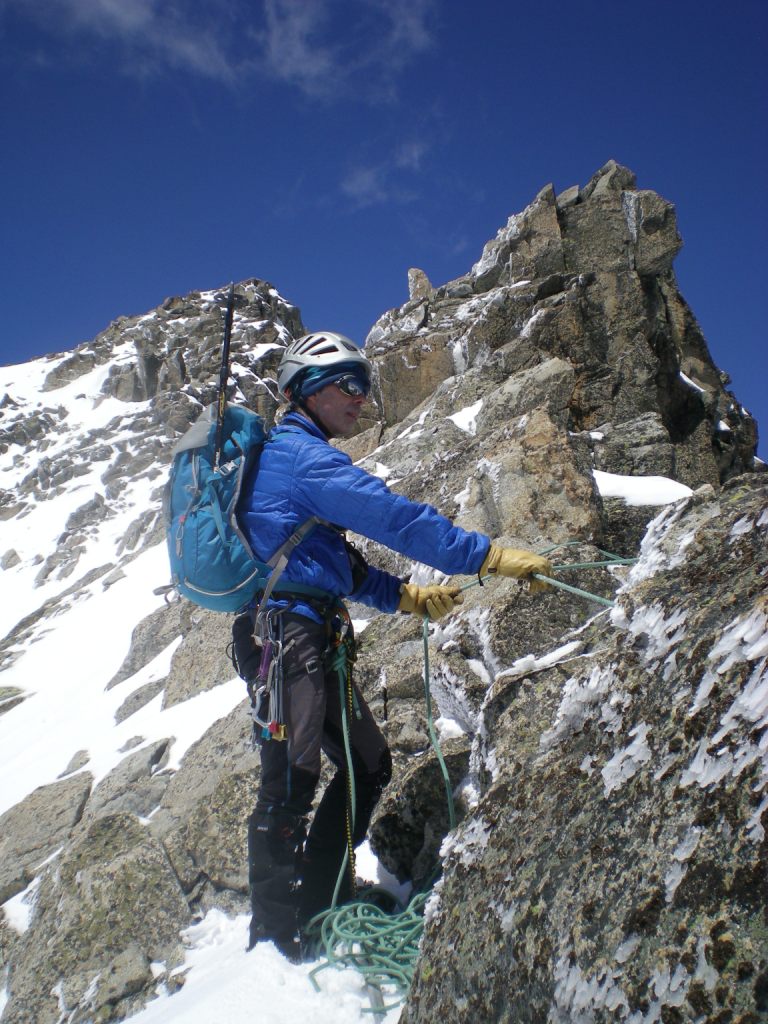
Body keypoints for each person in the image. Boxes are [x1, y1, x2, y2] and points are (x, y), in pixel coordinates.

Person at [236, 331, 552, 960]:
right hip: (288, 637)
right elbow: (394, 518)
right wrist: (482, 556)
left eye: (367, 383)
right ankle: (275, 936)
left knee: (366, 766)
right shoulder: (301, 458)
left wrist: (405, 598)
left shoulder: (300, 460)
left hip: (309, 632)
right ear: (306, 390)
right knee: (289, 784)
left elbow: (334, 564)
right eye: (348, 383)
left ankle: (320, 901)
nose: (363, 397)